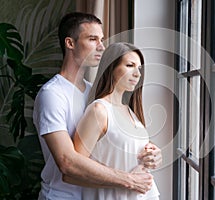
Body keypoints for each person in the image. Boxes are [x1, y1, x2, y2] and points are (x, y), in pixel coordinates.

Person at [33, 12, 162, 200]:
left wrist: (149, 152)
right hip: (62, 196)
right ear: (70, 43)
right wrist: (130, 180)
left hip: (95, 194)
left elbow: (113, 140)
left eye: (102, 40)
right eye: (93, 39)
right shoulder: (53, 95)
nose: (101, 47)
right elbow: (67, 162)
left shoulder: (95, 92)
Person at [64, 42, 160, 199]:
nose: (138, 74)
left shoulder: (130, 111)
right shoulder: (99, 111)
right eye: (130, 65)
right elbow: (73, 174)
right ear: (111, 67)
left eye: (140, 68)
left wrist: (153, 156)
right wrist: (128, 181)